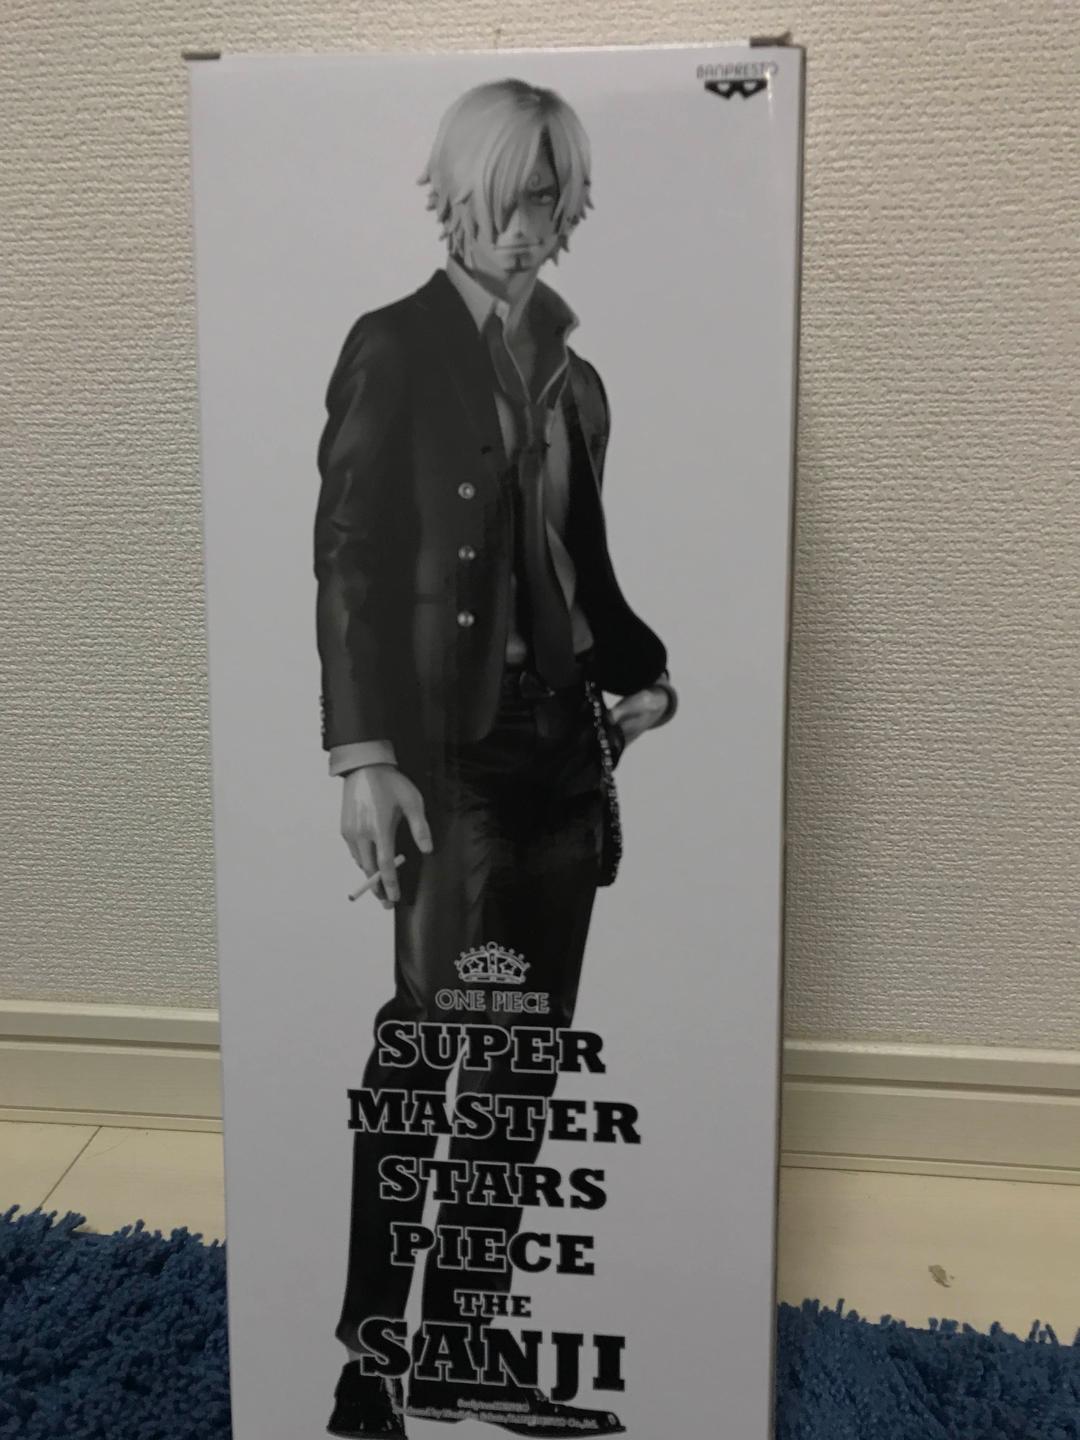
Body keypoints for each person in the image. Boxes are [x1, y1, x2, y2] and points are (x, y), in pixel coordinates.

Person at [315, 77, 677, 1438]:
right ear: (459, 193)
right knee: (425, 1047)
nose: (531, 228)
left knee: (525, 1064)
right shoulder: (395, 346)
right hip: (446, 757)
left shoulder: (578, 381)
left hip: (564, 754)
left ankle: (461, 1349)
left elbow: (585, 567)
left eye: (551, 201)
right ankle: (370, 1364)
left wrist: (646, 676)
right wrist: (364, 756)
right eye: (510, 199)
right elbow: (350, 558)